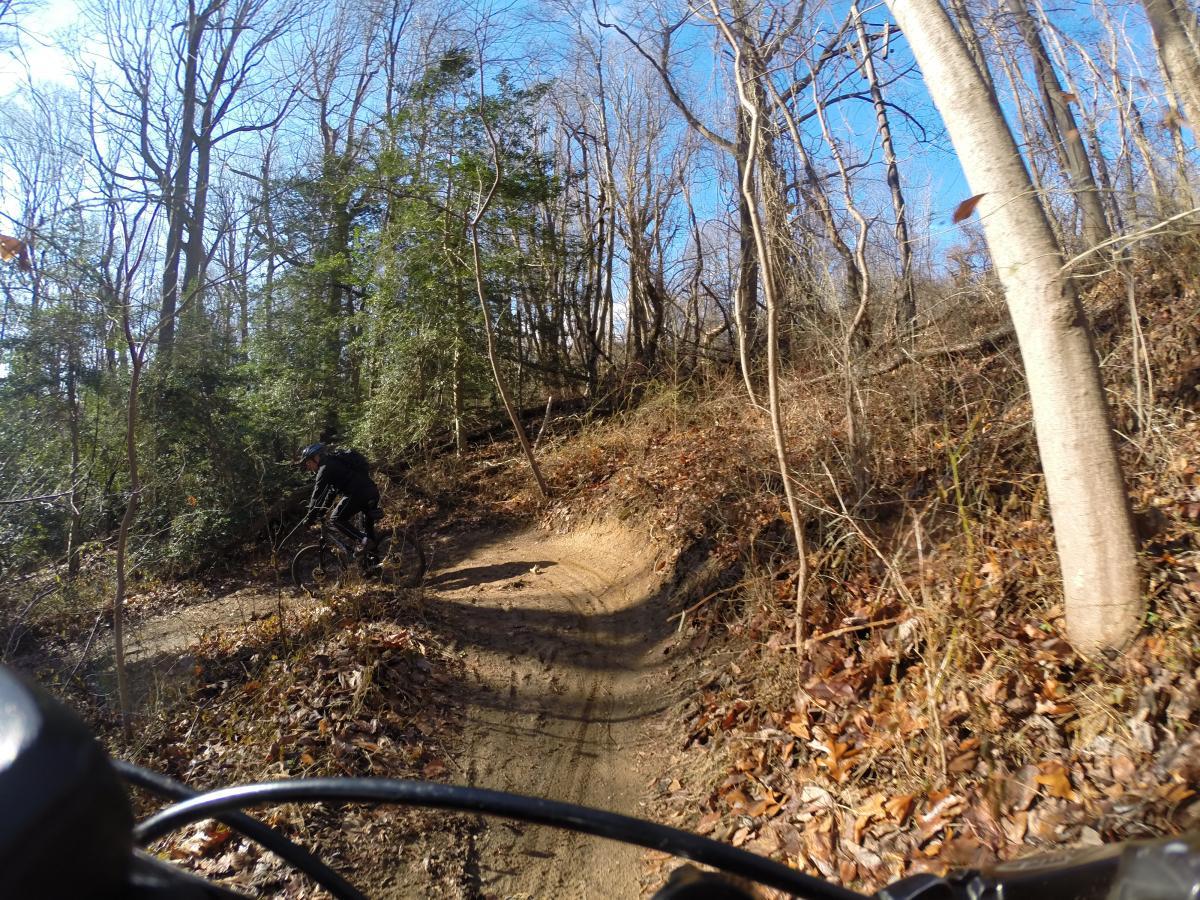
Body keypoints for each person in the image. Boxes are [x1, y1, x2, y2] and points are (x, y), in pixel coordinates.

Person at [298, 442, 380, 553]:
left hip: (358, 494)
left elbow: (317, 494)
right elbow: (332, 492)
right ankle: (374, 565)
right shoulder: (335, 463)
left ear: (316, 457)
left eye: (308, 462)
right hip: (371, 491)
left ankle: (365, 541)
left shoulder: (325, 468)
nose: (308, 467)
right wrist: (321, 511)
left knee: (336, 519)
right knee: (369, 534)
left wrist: (309, 518)